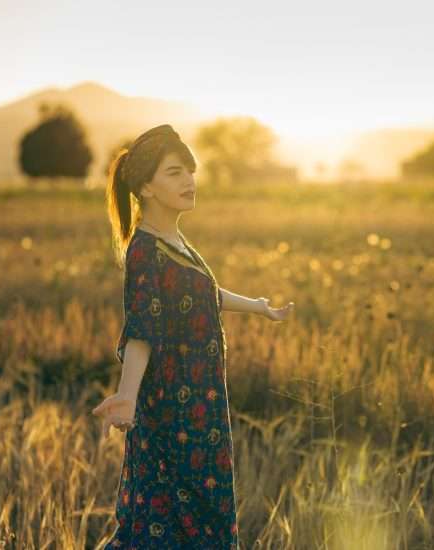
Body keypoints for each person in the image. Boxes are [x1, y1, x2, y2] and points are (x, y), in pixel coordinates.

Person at [92, 124, 294, 549]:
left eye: (190, 170)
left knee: (201, 519)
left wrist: (258, 306)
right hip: (172, 415)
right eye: (174, 172)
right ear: (145, 187)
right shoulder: (144, 251)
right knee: (164, 524)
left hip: (203, 408)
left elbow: (202, 296)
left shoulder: (175, 241)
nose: (189, 180)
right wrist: (127, 395)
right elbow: (142, 331)